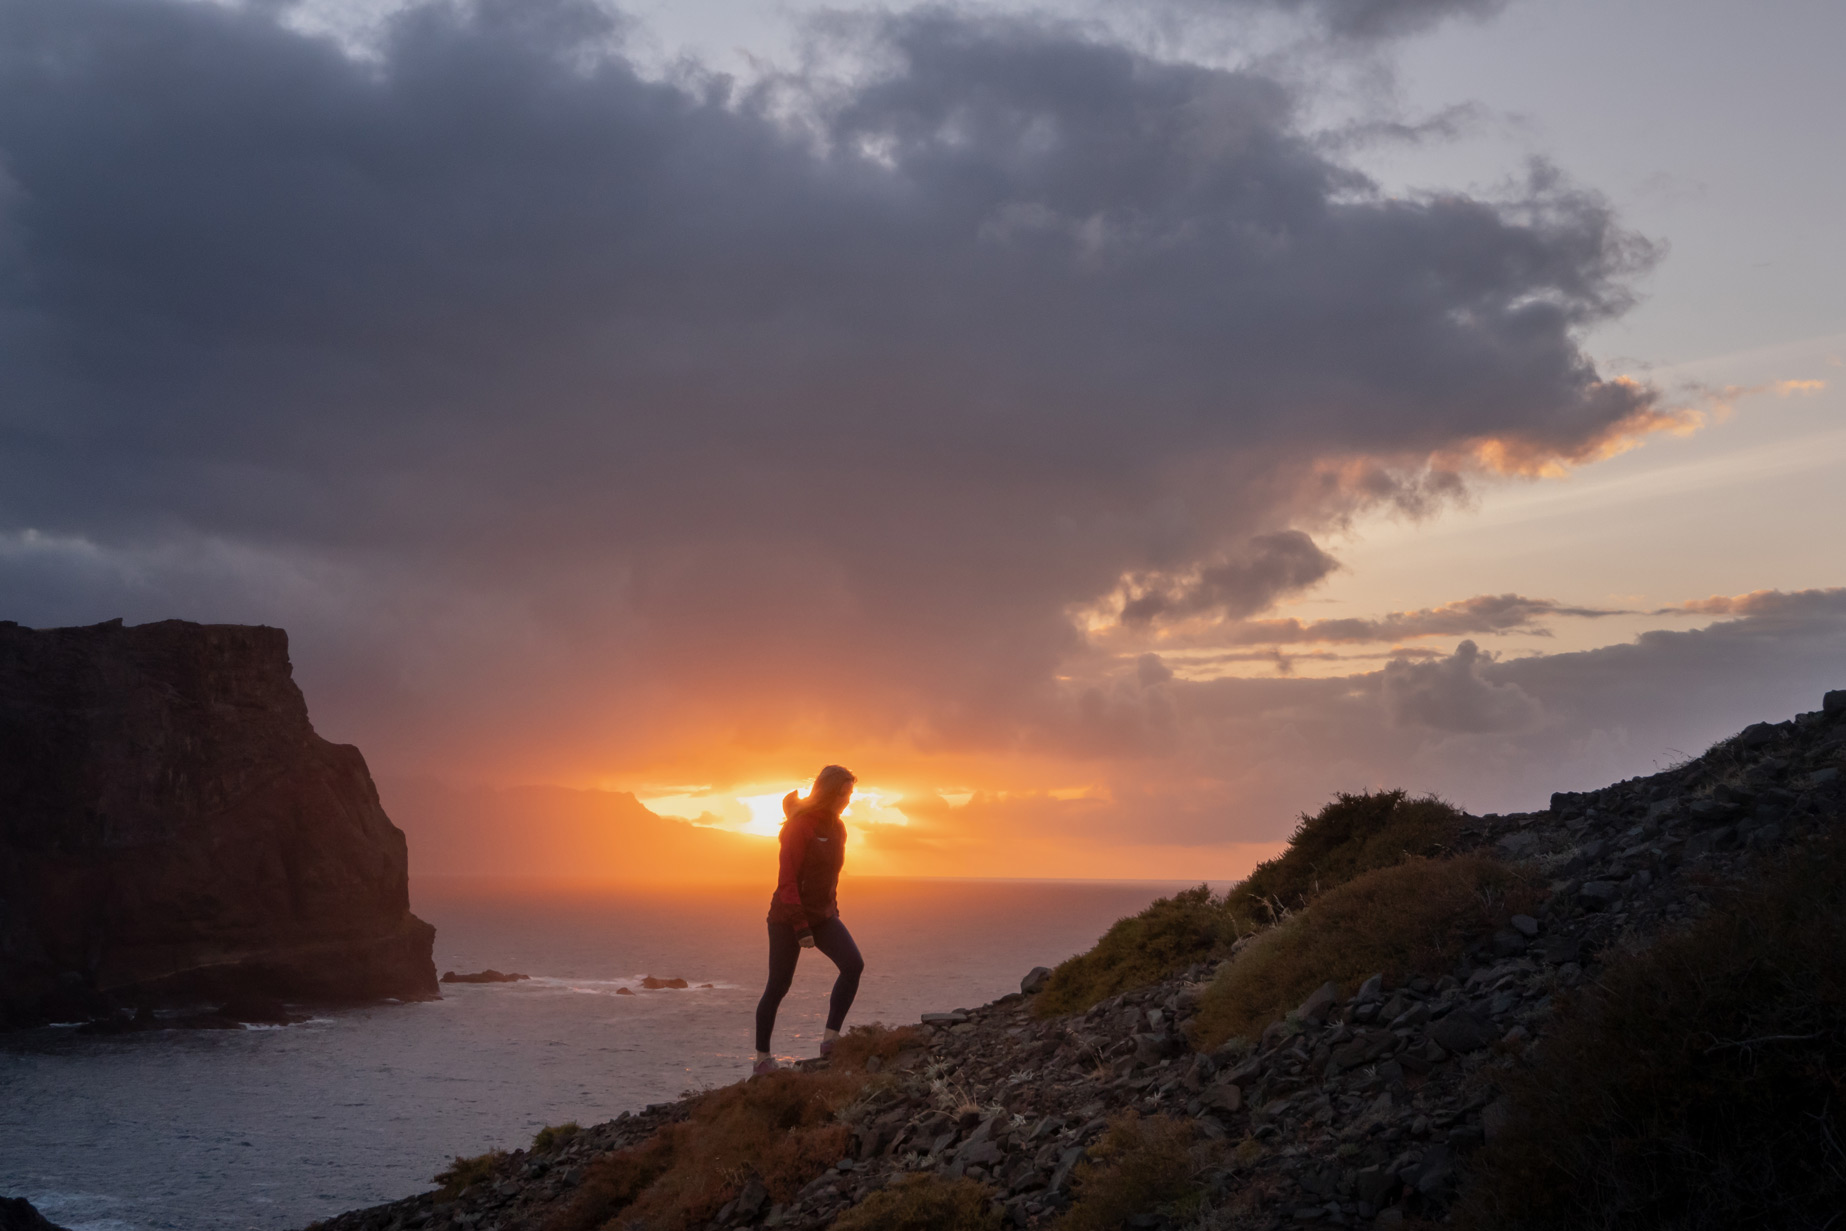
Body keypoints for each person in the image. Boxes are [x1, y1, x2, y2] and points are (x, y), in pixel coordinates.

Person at [753, 764, 864, 1075]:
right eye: (843, 794)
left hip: (822, 915)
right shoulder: (799, 826)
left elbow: (831, 877)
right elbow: (787, 880)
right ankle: (762, 1060)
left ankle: (830, 1041)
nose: (847, 800)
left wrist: (832, 910)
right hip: (787, 918)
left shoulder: (838, 828)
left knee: (853, 965)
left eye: (850, 795)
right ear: (829, 792)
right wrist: (800, 926)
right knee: (778, 986)